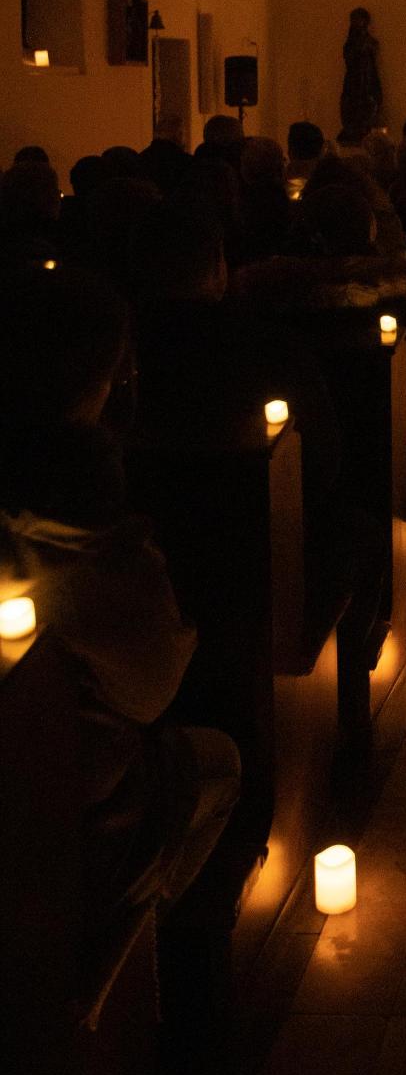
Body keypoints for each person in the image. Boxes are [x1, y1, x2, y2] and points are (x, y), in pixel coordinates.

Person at [0, 266, 240, 933]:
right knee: (218, 764)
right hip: (44, 816)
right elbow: (150, 684)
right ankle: (129, 953)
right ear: (101, 381)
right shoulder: (80, 528)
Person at [339, 7, 383, 145]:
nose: (356, 23)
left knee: (368, 105)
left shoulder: (370, 42)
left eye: (359, 19)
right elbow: (349, 58)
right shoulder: (350, 43)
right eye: (353, 20)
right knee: (351, 105)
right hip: (353, 80)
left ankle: (363, 129)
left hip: (367, 79)